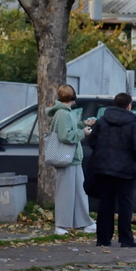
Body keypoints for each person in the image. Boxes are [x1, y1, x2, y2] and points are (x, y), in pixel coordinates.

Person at [85, 92, 136, 248]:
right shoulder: (134, 123)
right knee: (125, 204)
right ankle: (126, 239)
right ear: (129, 105)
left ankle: (103, 239)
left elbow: (92, 141)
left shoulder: (103, 120)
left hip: (103, 167)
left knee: (105, 203)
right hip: (126, 169)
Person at [47, 85, 94, 236]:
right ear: (73, 98)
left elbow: (68, 130)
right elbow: (66, 136)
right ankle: (61, 225)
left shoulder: (63, 113)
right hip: (68, 159)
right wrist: (83, 132)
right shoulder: (64, 114)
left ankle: (84, 222)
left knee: (78, 193)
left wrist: (83, 125)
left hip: (71, 159)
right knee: (66, 194)